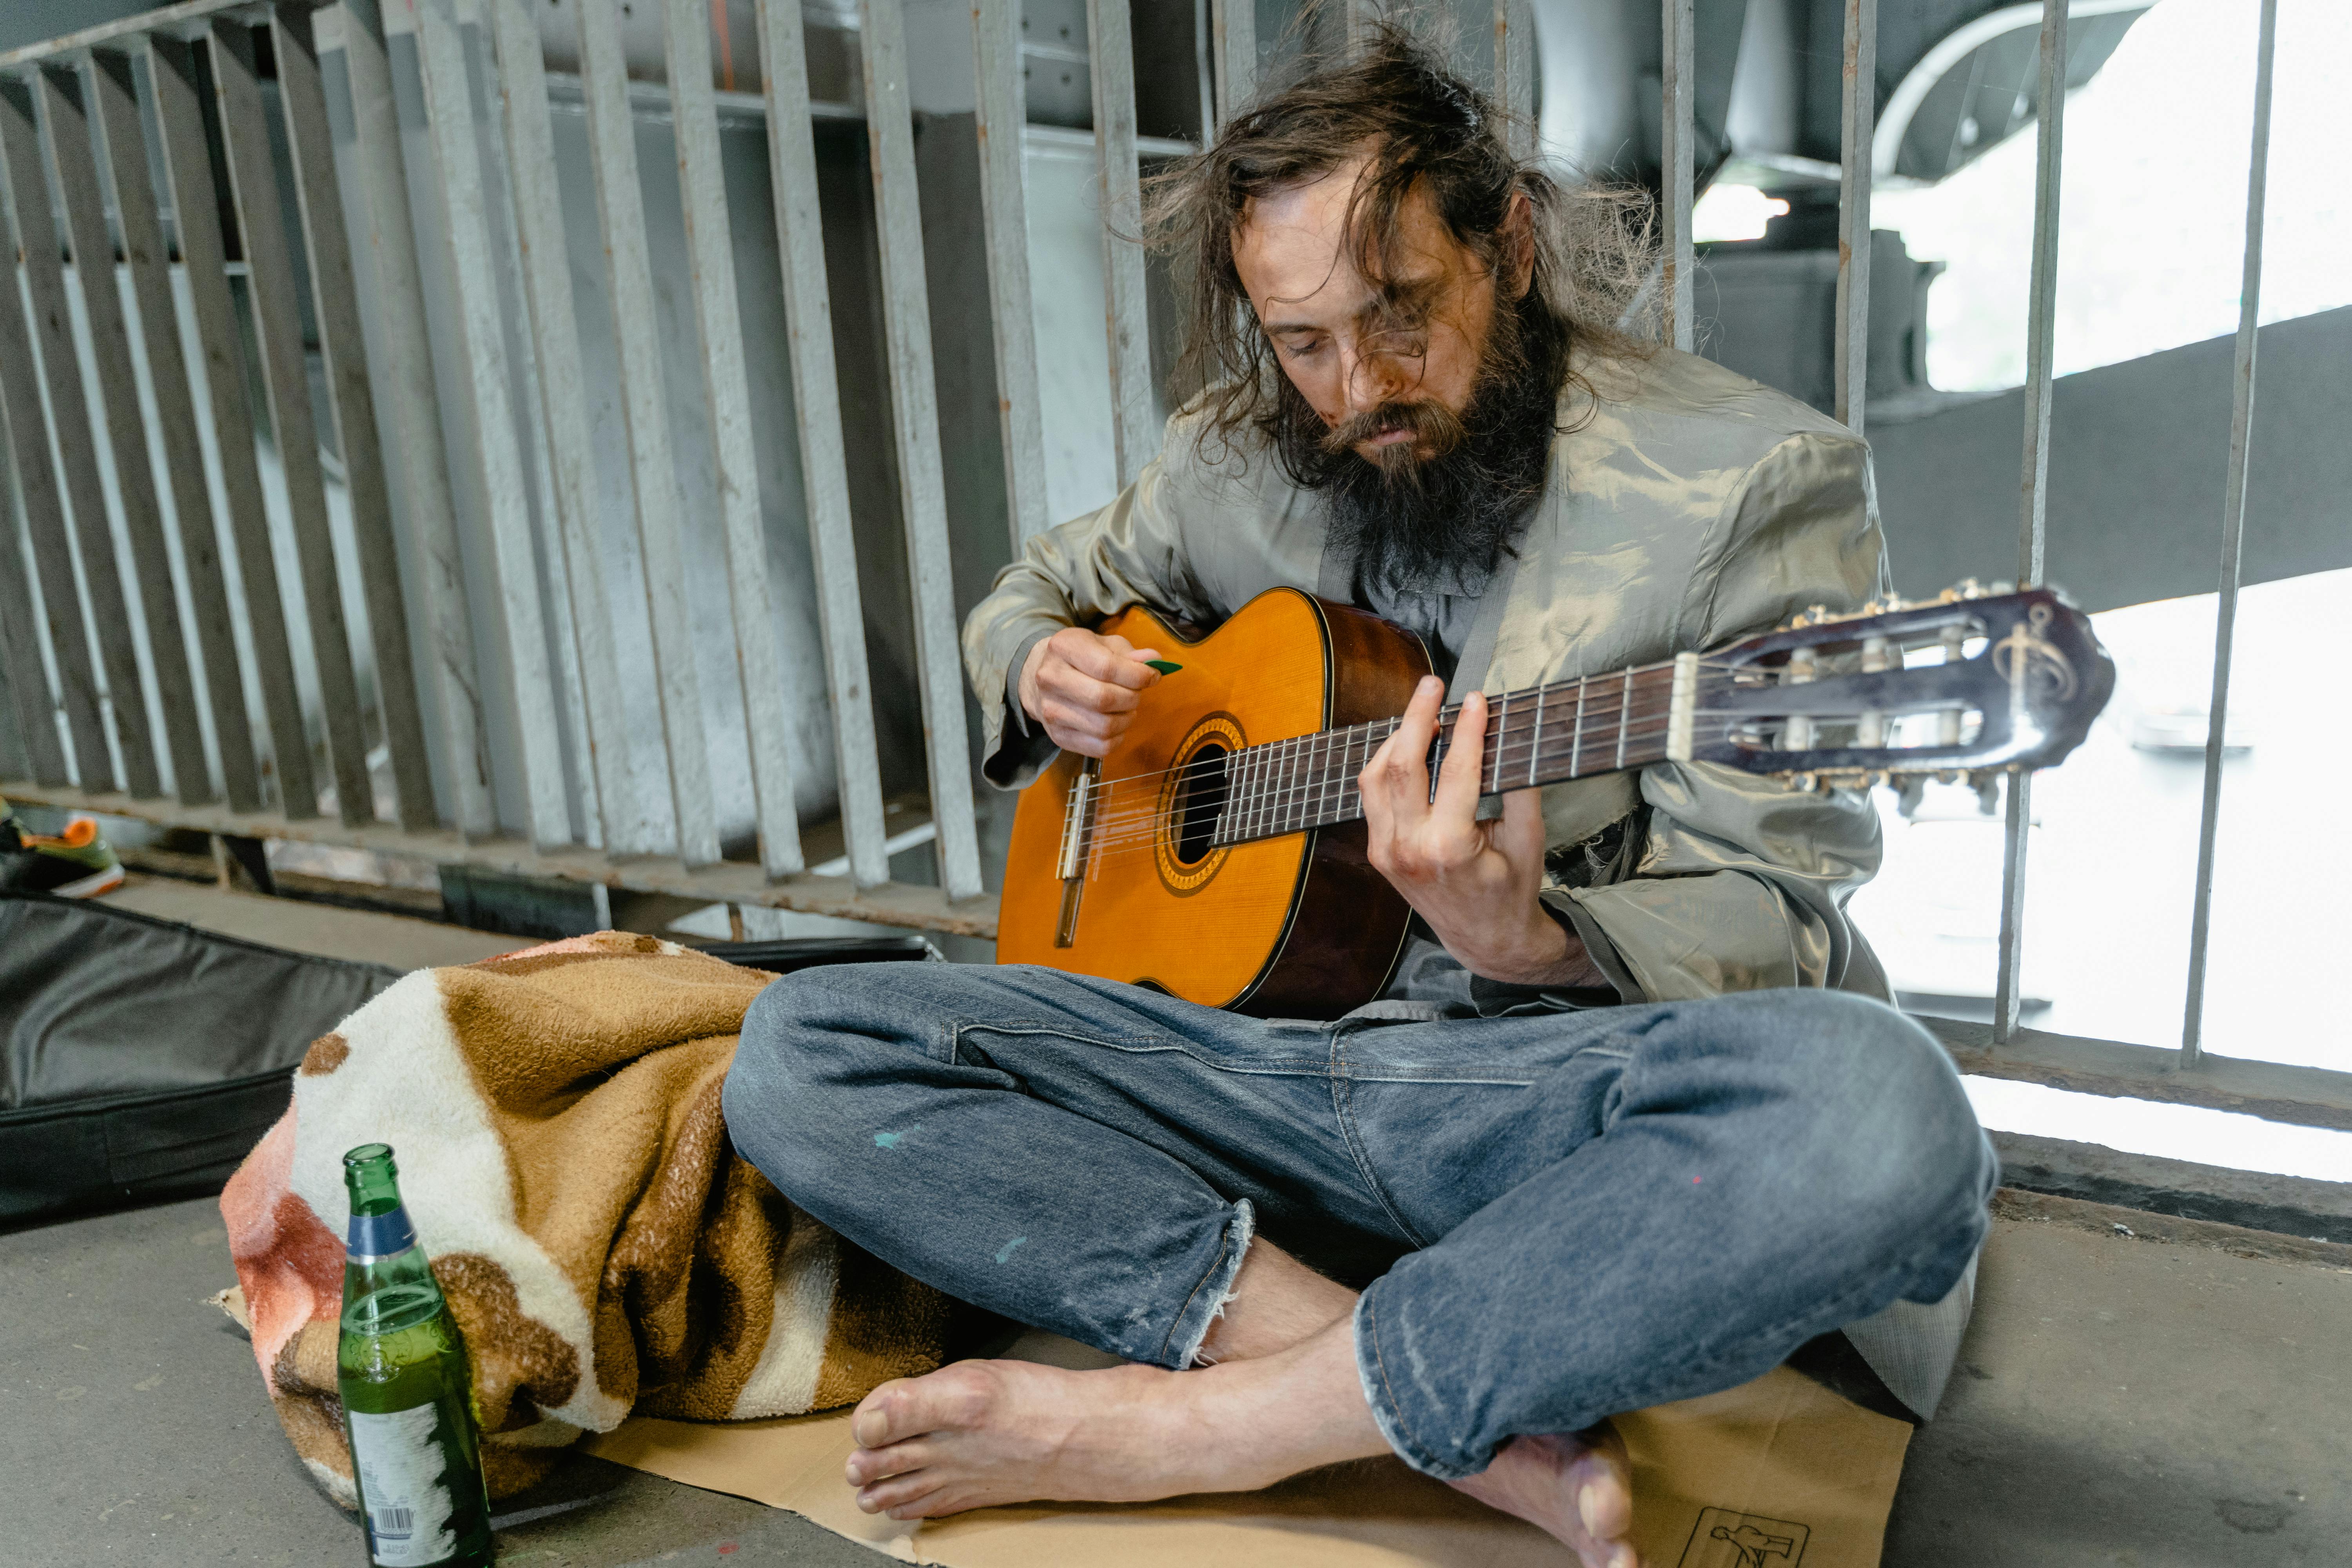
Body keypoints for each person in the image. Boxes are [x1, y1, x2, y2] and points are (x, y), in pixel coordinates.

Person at [724, 32, 1993, 1568]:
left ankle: (1204, 1424)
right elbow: (1046, 586)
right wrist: (1039, 662)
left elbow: (1775, 923)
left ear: (1509, 242)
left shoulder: (1748, 479)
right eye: (1306, 342)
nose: (1362, 387)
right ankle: (1438, 1399)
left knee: (1883, 1109)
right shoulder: (1233, 458)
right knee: (801, 1048)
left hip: (1539, 1096)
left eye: (1402, 315)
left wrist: (1540, 937)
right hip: (1253, 1067)